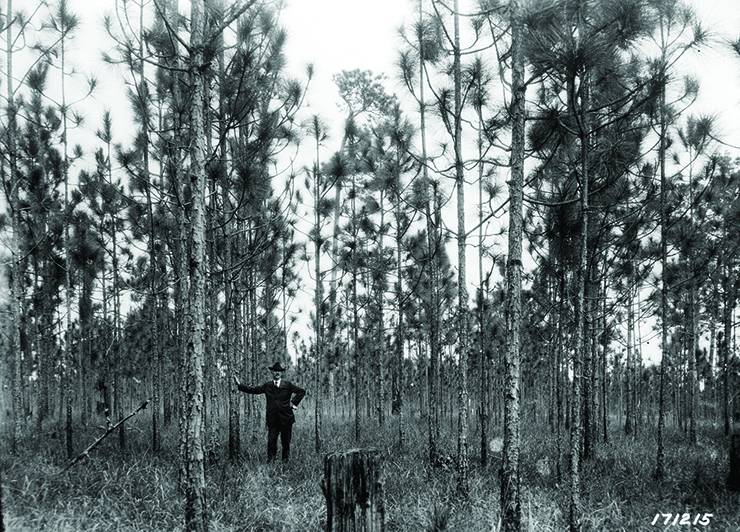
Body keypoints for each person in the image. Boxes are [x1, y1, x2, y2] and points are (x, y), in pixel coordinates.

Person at [234, 361, 305, 463]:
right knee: (271, 442)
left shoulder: (288, 385)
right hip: (273, 420)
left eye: (279, 371)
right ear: (272, 372)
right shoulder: (267, 385)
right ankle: (271, 463)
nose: (277, 373)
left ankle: (285, 463)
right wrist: (240, 385)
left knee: (286, 443)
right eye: (275, 371)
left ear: (282, 373)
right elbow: (254, 390)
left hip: (286, 419)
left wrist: (293, 403)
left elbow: (301, 391)